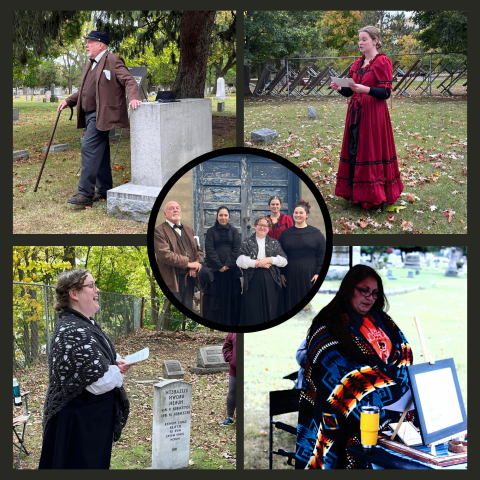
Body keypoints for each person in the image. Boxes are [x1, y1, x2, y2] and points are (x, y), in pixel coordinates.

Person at [295, 265, 415, 469]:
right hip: (337, 421)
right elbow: (339, 375)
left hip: (386, 416)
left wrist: (395, 381)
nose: (370, 297)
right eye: (364, 290)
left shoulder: (383, 320)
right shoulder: (327, 325)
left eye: (375, 293)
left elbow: (403, 353)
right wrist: (387, 387)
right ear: (349, 288)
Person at [39, 269, 131, 469]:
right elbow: (96, 382)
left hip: (90, 423)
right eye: (91, 286)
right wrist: (116, 372)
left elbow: (93, 364)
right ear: (73, 293)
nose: (97, 290)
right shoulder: (71, 330)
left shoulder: (83, 324)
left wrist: (114, 366)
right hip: (77, 427)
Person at [58, 31, 142, 207]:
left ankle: (85, 193)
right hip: (89, 115)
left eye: (90, 42)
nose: (87, 45)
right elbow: (84, 91)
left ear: (101, 44)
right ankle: (103, 190)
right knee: (101, 153)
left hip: (102, 115)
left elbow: (129, 80)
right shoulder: (91, 64)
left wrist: (134, 97)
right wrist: (69, 101)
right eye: (87, 42)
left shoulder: (113, 60)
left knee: (88, 148)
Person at [332, 26, 403, 209]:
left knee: (370, 151)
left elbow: (385, 92)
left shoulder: (382, 62)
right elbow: (350, 90)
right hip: (356, 113)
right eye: (359, 39)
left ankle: (374, 197)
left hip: (374, 115)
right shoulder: (357, 64)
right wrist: (340, 88)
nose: (360, 43)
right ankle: (357, 194)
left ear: (375, 40)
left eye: (364, 39)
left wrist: (366, 90)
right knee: (355, 149)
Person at [236, 216, 288, 326]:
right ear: (255, 226)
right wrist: (257, 263)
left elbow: (284, 260)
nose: (262, 228)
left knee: (270, 307)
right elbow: (239, 260)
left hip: (271, 278)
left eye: (265, 226)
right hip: (252, 279)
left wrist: (269, 260)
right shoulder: (247, 242)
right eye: (260, 225)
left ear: (269, 228)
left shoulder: (274, 243)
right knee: (254, 308)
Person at [154, 201, 203, 311]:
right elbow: (164, 254)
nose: (175, 210)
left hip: (191, 277)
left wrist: (195, 266)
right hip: (173, 277)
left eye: (177, 208)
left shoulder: (189, 229)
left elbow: (199, 250)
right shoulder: (158, 231)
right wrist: (188, 264)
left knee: (189, 307)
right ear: (165, 214)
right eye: (171, 208)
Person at [278, 200, 326, 312]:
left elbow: (322, 254)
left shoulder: (316, 233)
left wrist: (318, 272)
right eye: (296, 212)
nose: (298, 215)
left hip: (309, 273)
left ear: (307, 215)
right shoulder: (285, 234)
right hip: (290, 273)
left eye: (301, 213)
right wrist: (281, 273)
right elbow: (280, 254)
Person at [203, 206, 242, 327]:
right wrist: (219, 265)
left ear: (229, 217)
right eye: (221, 215)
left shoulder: (234, 231)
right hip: (216, 272)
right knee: (216, 299)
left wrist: (227, 265)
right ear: (217, 216)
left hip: (231, 272)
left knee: (232, 299)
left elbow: (236, 249)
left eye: (225, 215)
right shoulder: (211, 231)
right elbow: (209, 249)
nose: (223, 217)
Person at [221, 333, 236, 426]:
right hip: (235, 370)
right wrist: (231, 359)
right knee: (232, 391)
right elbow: (226, 346)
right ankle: (230, 417)